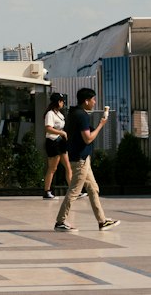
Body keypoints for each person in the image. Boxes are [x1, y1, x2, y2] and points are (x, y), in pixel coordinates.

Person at [54, 88, 120, 232]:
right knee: (74, 191)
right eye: (93, 99)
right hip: (80, 160)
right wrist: (101, 125)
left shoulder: (73, 113)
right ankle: (61, 221)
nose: (94, 102)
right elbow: (88, 138)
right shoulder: (81, 115)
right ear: (86, 101)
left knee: (93, 188)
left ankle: (102, 221)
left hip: (83, 158)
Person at [43, 92, 70, 199]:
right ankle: (47, 191)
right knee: (53, 168)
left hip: (61, 142)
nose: (63, 103)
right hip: (53, 142)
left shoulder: (59, 114)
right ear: (58, 102)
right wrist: (61, 133)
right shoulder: (50, 114)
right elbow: (48, 128)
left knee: (68, 167)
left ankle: (74, 190)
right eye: (62, 101)